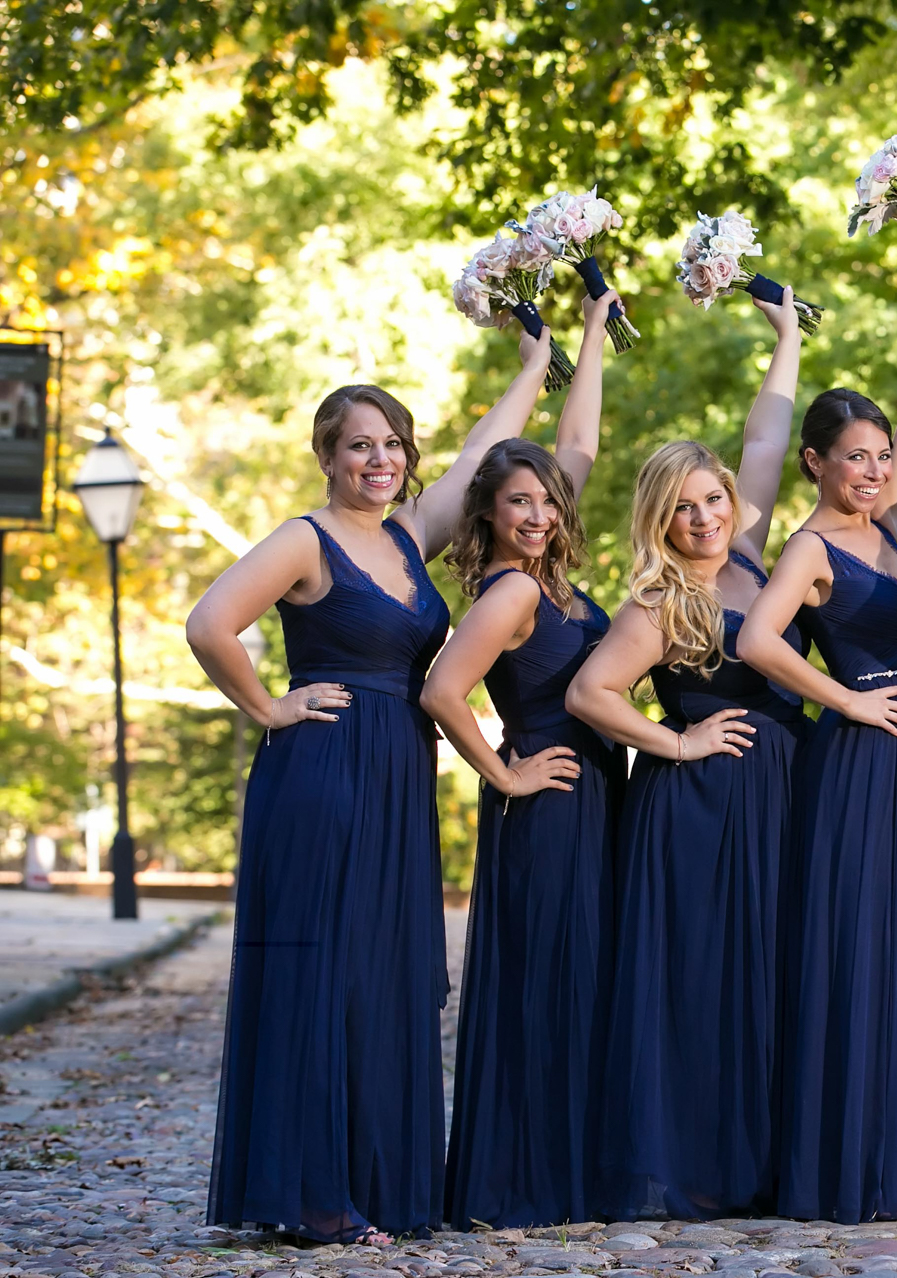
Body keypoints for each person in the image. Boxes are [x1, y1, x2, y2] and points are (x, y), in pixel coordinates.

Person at [188, 324, 553, 1243]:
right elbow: (208, 624)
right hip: (323, 774)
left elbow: (479, 458)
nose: (380, 459)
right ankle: (311, 1196)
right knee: (329, 972)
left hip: (398, 772)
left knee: (383, 975)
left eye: (392, 444)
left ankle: (378, 1185)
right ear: (326, 456)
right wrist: (268, 707)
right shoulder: (305, 541)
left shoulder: (404, 536)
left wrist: (536, 366)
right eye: (360, 445)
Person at [565, 288, 809, 1220]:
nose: (704, 517)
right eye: (683, 508)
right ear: (659, 521)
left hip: (780, 794)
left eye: (711, 498)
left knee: (775, 978)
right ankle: (698, 1167)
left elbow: (767, 441)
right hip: (703, 809)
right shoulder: (660, 602)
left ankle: (768, 1162)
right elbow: (592, 692)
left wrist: (785, 338)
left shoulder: (752, 553)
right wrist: (676, 740)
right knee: (708, 985)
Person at [738, 249, 897, 1224]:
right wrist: (848, 700)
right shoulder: (810, 546)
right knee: (856, 945)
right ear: (816, 465)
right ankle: (844, 1167)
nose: (873, 468)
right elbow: (754, 641)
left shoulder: (888, 522)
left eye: (880, 456)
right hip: (862, 752)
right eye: (854, 457)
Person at [422, 293, 621, 1229]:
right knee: (549, 979)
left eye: (545, 499)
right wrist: (504, 776)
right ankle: (527, 1181)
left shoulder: (554, 578)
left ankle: (570, 1169)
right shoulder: (507, 593)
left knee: (583, 978)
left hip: (594, 800)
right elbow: (440, 691)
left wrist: (586, 331)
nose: (539, 513)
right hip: (545, 802)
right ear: (489, 515)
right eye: (519, 502)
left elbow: (576, 439)